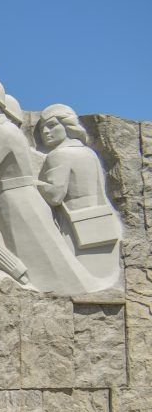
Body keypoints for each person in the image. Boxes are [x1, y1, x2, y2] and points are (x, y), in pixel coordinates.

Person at [0, 76, 110, 295]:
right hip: (11, 200)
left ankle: (74, 299)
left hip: (17, 203)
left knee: (47, 267)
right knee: (41, 263)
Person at [36, 103, 123, 282]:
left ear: (67, 125)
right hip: (103, 222)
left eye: (52, 125)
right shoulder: (89, 153)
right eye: (43, 127)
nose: (45, 131)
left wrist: (32, 182)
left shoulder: (59, 155)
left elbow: (54, 196)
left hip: (74, 225)